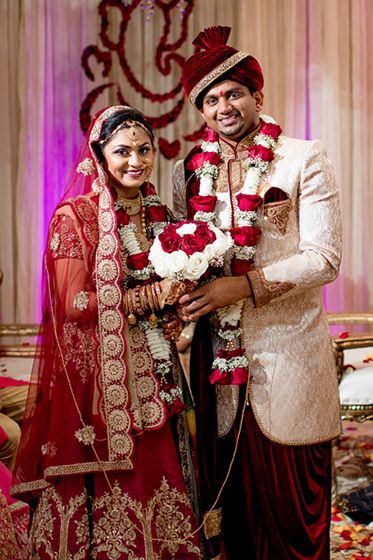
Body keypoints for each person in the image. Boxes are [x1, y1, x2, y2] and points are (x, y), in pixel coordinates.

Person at [173, 26, 342, 560]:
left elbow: (324, 258)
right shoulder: (185, 172)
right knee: (230, 511)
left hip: (288, 354)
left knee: (294, 514)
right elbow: (182, 255)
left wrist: (243, 286)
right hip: (214, 364)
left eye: (234, 92)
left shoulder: (301, 157)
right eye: (211, 98)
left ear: (256, 95)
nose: (224, 106)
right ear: (200, 110)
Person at [11, 106, 202, 559]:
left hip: (157, 373)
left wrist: (173, 311)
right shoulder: (73, 217)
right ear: (99, 155)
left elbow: (164, 290)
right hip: (101, 383)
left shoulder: (157, 215)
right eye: (122, 151)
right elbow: (75, 304)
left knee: (165, 471)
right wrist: (149, 298)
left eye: (143, 149)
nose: (135, 160)